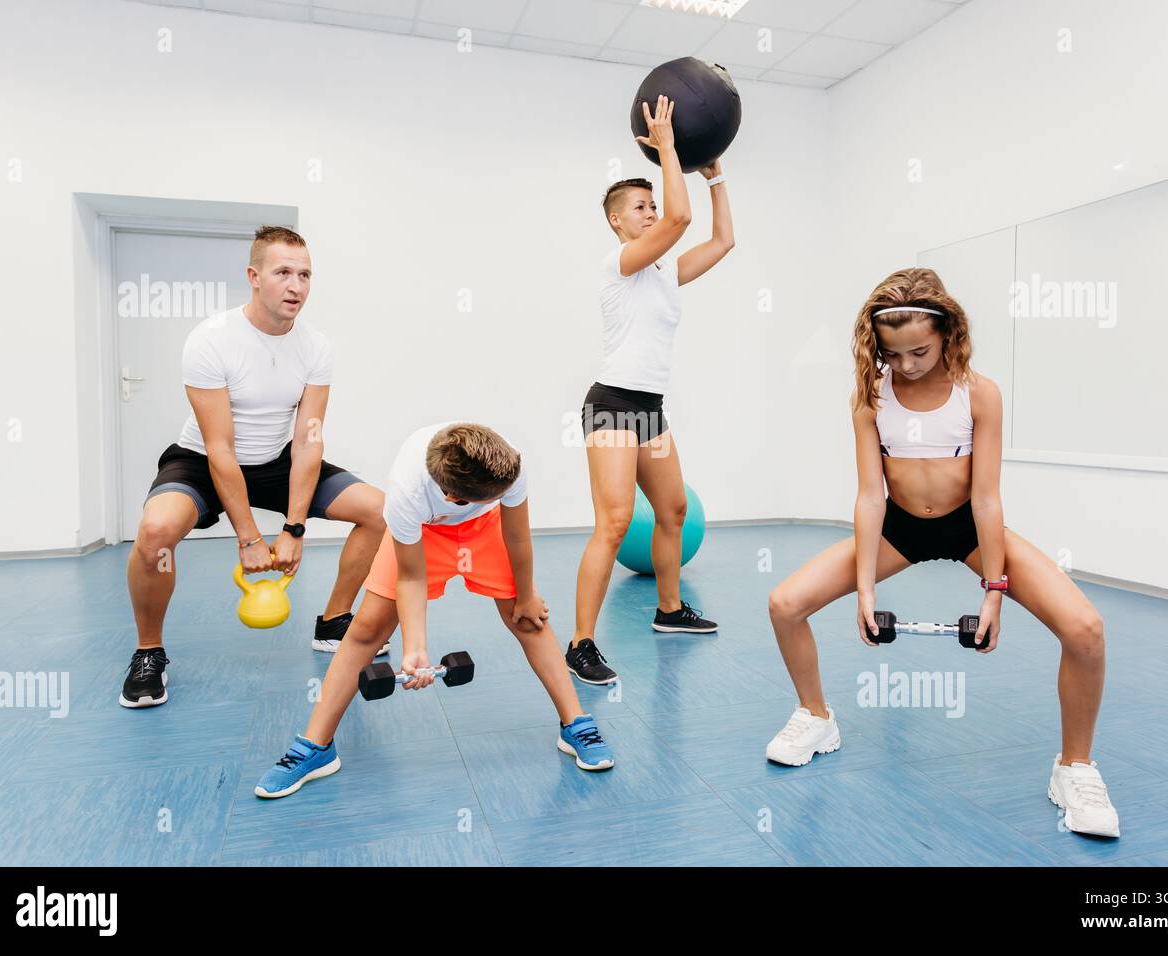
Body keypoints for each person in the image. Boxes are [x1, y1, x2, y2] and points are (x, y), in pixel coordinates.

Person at [764, 268, 1120, 838]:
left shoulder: (979, 393)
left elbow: (986, 498)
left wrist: (994, 593)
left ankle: (1074, 768)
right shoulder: (870, 397)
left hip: (970, 530)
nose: (905, 365)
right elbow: (868, 496)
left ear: (949, 330)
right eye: (893, 353)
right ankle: (816, 717)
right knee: (785, 603)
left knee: (1086, 629)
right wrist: (865, 588)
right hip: (899, 528)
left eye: (919, 351)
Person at [255, 422, 614, 798]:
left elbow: (517, 535)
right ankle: (316, 748)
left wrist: (526, 594)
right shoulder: (407, 493)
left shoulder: (506, 464)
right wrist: (415, 648)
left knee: (528, 620)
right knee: (365, 629)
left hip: (484, 530)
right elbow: (411, 578)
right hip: (424, 531)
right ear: (451, 495)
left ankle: (576, 725)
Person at [121, 226, 386, 708]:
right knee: (155, 533)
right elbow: (220, 448)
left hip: (276, 461)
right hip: (202, 461)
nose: (296, 286)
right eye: (283, 272)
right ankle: (148, 651)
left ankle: (333, 623)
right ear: (254, 276)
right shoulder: (211, 340)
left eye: (305, 275)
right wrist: (248, 538)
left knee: (380, 511)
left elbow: (308, 441)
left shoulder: (315, 347)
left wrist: (294, 529)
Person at [568, 94, 735, 686]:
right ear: (617, 219)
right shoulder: (622, 261)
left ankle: (669, 611)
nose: (649, 211)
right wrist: (666, 145)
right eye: (640, 206)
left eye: (650, 204)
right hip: (612, 405)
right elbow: (679, 221)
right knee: (613, 523)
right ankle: (581, 643)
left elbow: (720, 243)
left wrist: (716, 178)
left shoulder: (664, 271)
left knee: (673, 509)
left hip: (650, 411)